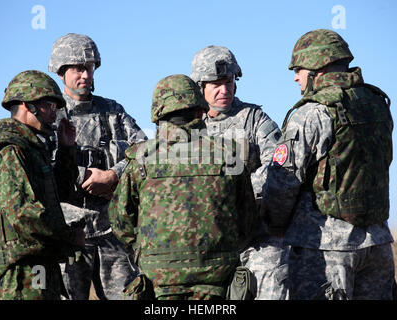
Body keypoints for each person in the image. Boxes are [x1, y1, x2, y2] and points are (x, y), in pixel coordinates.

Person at [262, 29, 396, 300]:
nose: (295, 76)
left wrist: (274, 226)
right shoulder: (377, 104)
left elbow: (281, 182)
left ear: (317, 69)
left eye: (299, 69)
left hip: (325, 250)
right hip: (379, 243)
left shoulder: (312, 112)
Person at [108, 74, 259, 300]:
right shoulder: (229, 154)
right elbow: (247, 220)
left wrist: (148, 250)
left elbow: (121, 222)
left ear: (158, 115)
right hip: (216, 280)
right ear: (200, 111)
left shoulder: (141, 159)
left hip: (159, 281)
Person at [48, 33, 145, 300]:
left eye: (89, 68)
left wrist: (114, 174)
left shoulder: (113, 111)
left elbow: (146, 151)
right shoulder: (49, 115)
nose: (85, 75)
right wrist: (82, 175)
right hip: (69, 231)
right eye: (78, 68)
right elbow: (39, 164)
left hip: (111, 229)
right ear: (61, 71)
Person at [190, 45, 288, 299]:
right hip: (207, 241)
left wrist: (240, 192)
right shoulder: (188, 128)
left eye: (229, 81)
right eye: (216, 84)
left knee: (275, 277)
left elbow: (278, 165)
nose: (225, 90)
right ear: (200, 86)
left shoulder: (254, 119)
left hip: (256, 237)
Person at [0, 70, 85, 300]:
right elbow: (24, 214)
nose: (54, 113)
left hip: (38, 264)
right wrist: (68, 236)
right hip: (21, 272)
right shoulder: (10, 149)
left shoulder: (31, 148)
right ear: (28, 105)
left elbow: (57, 196)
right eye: (49, 104)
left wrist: (67, 150)